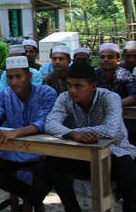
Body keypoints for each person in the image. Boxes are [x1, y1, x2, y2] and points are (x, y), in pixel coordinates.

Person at [44, 62, 136, 212]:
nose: (72, 90)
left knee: (129, 172)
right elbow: (50, 123)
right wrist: (73, 134)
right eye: (69, 85)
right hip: (83, 154)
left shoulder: (110, 98)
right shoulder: (64, 97)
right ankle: (72, 208)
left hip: (115, 153)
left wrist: (77, 131)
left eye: (78, 86)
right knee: (51, 163)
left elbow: (111, 129)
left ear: (93, 86)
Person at [0, 56, 57, 212]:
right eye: (9, 77)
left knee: (47, 174)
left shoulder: (46, 93)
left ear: (28, 76)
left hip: (42, 151)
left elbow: (44, 122)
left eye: (18, 76)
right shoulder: (4, 94)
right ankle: (31, 199)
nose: (13, 82)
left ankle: (29, 202)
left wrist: (15, 132)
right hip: (14, 150)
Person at [95, 43, 136, 144]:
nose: (105, 60)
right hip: (99, 116)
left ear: (118, 60)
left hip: (124, 117)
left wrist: (115, 103)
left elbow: (134, 96)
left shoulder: (125, 75)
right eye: (102, 57)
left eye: (110, 57)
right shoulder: (93, 74)